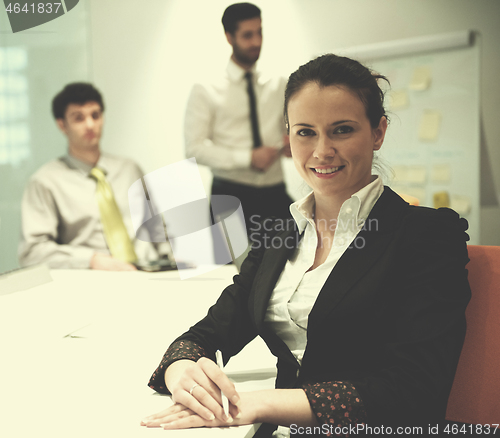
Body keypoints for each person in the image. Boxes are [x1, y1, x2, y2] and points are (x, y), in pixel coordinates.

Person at [141, 54, 471, 436]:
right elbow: (209, 332)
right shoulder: (280, 232)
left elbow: (413, 391)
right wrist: (182, 371)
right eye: (305, 132)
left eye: (342, 130)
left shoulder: (426, 235)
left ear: (378, 131)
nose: (321, 151)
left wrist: (259, 403)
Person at [18, 82, 171, 271]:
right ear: (62, 125)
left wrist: (174, 257)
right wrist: (91, 260)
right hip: (94, 280)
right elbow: (32, 252)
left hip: (152, 273)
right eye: (78, 118)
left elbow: (156, 227)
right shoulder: (45, 182)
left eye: (95, 115)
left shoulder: (129, 169)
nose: (90, 125)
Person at [185, 2, 293, 239]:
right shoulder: (205, 88)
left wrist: (293, 144)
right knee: (231, 272)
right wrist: (248, 158)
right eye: (247, 35)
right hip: (230, 196)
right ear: (228, 37)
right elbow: (194, 149)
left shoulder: (279, 83)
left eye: (259, 32)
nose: (256, 42)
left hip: (275, 192)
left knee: (290, 264)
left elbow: (289, 131)